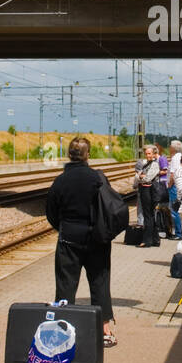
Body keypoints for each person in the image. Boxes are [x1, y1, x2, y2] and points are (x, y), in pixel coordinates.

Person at [45, 135, 116, 346]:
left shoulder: (60, 181)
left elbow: (51, 212)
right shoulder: (97, 178)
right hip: (96, 239)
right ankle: (104, 331)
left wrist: (65, 227)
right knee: (100, 283)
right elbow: (110, 206)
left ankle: (63, 331)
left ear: (69, 154)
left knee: (66, 285)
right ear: (88, 155)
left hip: (69, 240)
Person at [134, 144, 161, 248]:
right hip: (145, 190)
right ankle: (155, 239)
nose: (147, 155)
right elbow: (137, 176)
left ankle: (147, 241)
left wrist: (141, 177)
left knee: (148, 216)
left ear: (154, 154)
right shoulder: (145, 163)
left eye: (149, 153)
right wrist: (140, 176)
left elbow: (147, 178)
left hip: (149, 192)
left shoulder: (154, 165)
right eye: (146, 154)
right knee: (149, 215)